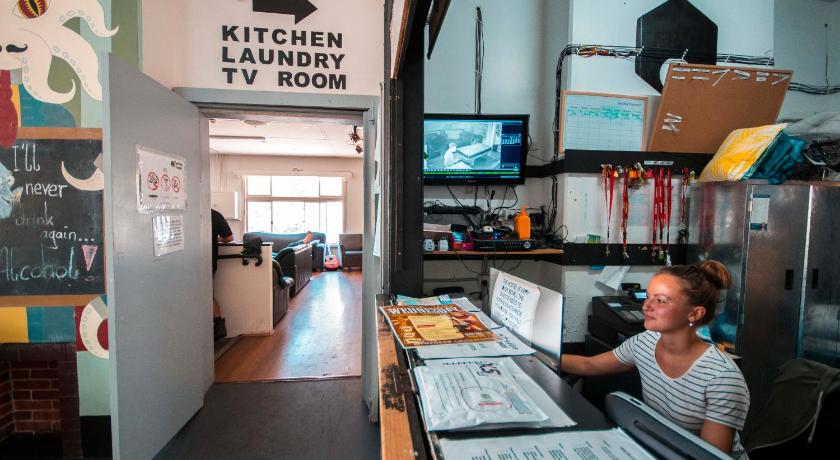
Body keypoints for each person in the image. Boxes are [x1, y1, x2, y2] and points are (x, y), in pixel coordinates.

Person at [561, 261, 749, 459]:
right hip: (662, 449)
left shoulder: (722, 377)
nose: (646, 306)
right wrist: (540, 353)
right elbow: (589, 364)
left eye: (660, 300)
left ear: (695, 313)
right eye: (648, 296)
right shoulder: (645, 342)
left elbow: (711, 457)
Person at [211, 208, 233, 341]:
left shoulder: (187, 213)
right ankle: (218, 325)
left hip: (187, 260)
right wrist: (217, 240)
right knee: (209, 294)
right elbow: (229, 238)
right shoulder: (214, 215)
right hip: (209, 259)